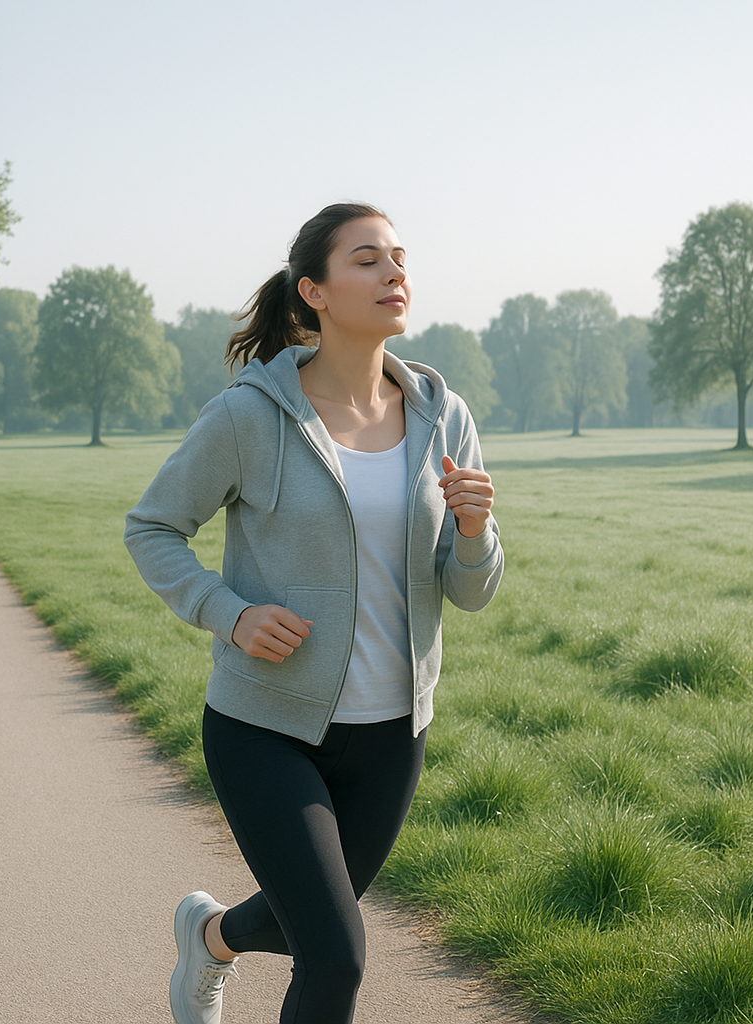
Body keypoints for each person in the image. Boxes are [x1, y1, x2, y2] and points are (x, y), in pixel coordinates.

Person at [123, 202, 503, 1024]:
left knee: (304, 929)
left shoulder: (446, 416)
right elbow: (152, 527)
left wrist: (474, 531)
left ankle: (211, 937)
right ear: (315, 292)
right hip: (265, 727)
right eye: (367, 259)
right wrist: (229, 613)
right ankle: (218, 941)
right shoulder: (250, 416)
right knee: (336, 958)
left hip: (393, 733)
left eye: (399, 257)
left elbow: (469, 589)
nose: (394, 272)